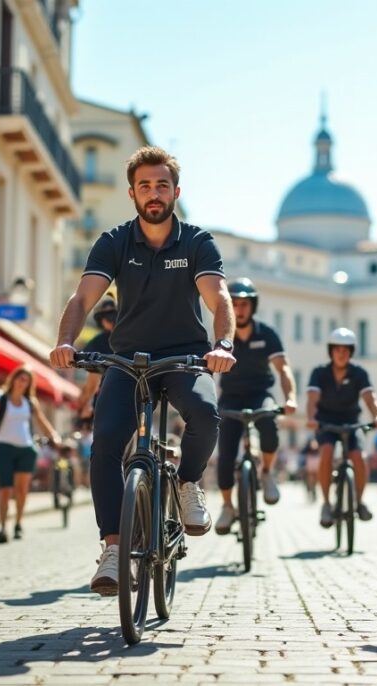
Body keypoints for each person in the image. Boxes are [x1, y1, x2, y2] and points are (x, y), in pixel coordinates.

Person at [49, 146, 236, 595]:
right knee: (106, 443)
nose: (154, 194)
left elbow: (219, 297)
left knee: (206, 415)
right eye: (146, 186)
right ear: (132, 192)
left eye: (162, 185)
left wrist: (223, 342)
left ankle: (189, 483)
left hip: (185, 358)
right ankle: (113, 549)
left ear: (176, 191)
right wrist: (66, 341)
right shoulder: (114, 242)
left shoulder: (195, 241)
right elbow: (82, 299)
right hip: (126, 359)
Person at [213, 278, 297, 535]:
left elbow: (283, 369)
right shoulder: (223, 336)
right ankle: (228, 507)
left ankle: (267, 472)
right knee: (225, 456)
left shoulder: (266, 333)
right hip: (230, 398)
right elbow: (207, 370)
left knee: (270, 426)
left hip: (260, 394)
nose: (239, 309)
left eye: (245, 304)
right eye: (235, 304)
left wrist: (291, 397)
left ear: (253, 306)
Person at [306, 328, 377, 528]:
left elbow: (370, 397)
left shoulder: (359, 372)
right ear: (331, 351)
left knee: (359, 457)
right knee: (326, 451)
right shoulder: (319, 372)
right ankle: (325, 503)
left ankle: (359, 502)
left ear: (351, 352)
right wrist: (311, 418)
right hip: (325, 422)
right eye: (337, 349)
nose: (341, 353)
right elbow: (312, 399)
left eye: (346, 350)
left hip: (352, 422)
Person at [0, 366, 62, 544]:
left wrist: (54, 436)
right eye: (19, 378)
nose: (21, 382)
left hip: (26, 449)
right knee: (5, 489)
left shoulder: (30, 402)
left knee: (22, 490)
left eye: (26, 380)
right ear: (13, 379)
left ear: (28, 384)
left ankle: (18, 523)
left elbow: (42, 421)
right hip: (3, 448)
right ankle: (2, 527)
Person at [77, 297, 118, 420]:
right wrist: (87, 402)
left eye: (114, 315)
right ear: (101, 321)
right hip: (107, 396)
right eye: (107, 317)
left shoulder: (134, 338)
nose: (111, 321)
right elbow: (93, 379)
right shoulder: (98, 343)